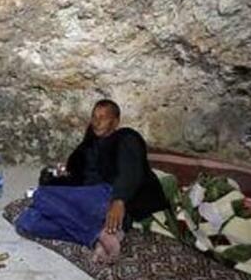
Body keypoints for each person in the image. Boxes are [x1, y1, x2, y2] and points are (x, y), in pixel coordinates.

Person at [17, 99, 168, 263]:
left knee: (41, 195)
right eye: (94, 117)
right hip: (90, 201)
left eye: (103, 118)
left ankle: (98, 233)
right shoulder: (90, 145)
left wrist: (119, 200)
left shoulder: (126, 137)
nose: (96, 122)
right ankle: (99, 237)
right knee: (27, 221)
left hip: (109, 197)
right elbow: (77, 176)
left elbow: (130, 170)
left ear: (115, 122)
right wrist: (56, 177)